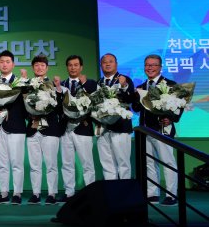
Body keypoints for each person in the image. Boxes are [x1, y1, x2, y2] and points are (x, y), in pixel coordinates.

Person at [132, 54, 180, 206]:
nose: (150, 67)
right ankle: (152, 193)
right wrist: (137, 96)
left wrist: (171, 118)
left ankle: (171, 195)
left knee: (168, 162)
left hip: (162, 129)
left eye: (153, 65)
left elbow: (179, 105)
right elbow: (136, 108)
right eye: (147, 65)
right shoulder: (141, 86)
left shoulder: (170, 84)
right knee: (150, 163)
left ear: (160, 67)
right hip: (145, 130)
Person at [0, 50, 28, 205]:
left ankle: (17, 193)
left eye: (7, 61)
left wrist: (8, 111)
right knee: (1, 163)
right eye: (1, 61)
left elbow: (26, 105)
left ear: (13, 64)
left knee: (17, 162)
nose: (4, 64)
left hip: (16, 126)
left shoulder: (21, 82)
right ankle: (4, 193)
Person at [25, 54, 64, 205]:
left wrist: (58, 89)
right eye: (36, 65)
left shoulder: (55, 85)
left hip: (50, 128)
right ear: (33, 68)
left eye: (42, 65)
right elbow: (23, 106)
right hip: (33, 128)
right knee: (34, 164)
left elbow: (61, 107)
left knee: (51, 164)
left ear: (47, 68)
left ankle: (52, 194)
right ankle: (35, 193)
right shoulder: (27, 85)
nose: (39, 68)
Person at [58, 55, 97, 202]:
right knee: (67, 163)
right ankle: (69, 192)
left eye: (76, 65)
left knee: (87, 162)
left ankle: (91, 192)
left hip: (83, 128)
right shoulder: (61, 85)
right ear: (67, 67)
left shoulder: (91, 83)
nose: (73, 68)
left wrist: (84, 83)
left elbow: (95, 103)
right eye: (70, 65)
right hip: (65, 129)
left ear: (81, 67)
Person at [97, 53, 134, 181]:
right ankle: (110, 190)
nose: (107, 64)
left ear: (116, 64)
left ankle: (124, 194)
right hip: (103, 128)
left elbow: (130, 100)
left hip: (121, 127)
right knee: (107, 162)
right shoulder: (99, 82)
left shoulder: (125, 79)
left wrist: (123, 86)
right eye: (104, 62)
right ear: (101, 65)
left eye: (110, 61)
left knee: (123, 162)